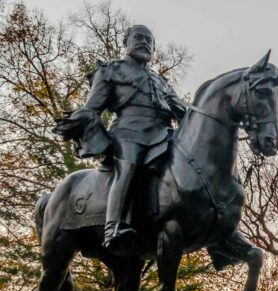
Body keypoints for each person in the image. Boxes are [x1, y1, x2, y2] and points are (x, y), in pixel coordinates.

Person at [53, 24, 188, 252]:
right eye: (139, 38)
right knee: (128, 166)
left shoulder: (161, 82)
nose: (145, 42)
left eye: (149, 40)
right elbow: (93, 107)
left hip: (164, 134)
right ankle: (113, 226)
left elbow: (183, 112)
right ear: (126, 42)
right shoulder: (111, 70)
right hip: (128, 132)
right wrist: (80, 122)